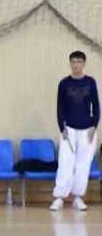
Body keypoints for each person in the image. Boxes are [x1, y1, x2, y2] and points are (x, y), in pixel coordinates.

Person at [50, 51, 100, 211]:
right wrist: (62, 128)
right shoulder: (64, 83)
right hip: (69, 129)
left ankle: (78, 198)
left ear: (83, 63)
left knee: (83, 165)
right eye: (73, 61)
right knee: (65, 163)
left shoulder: (90, 82)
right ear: (70, 63)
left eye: (79, 61)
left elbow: (96, 106)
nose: (76, 64)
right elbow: (59, 107)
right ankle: (59, 197)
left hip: (87, 130)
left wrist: (94, 126)